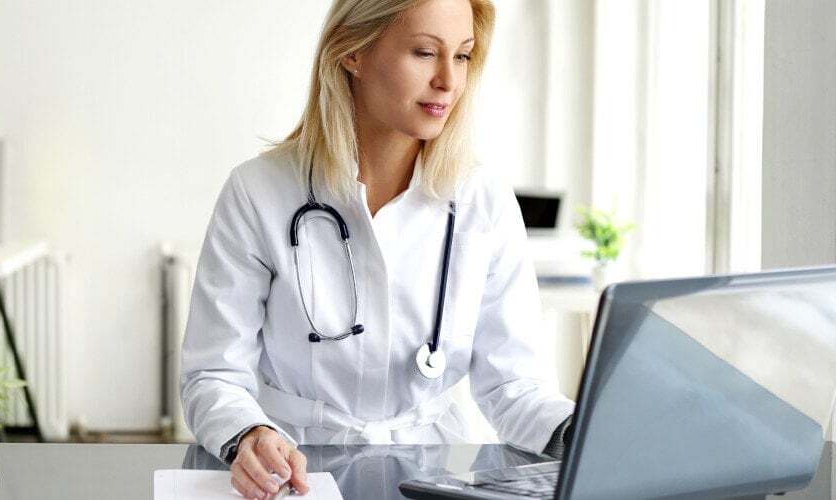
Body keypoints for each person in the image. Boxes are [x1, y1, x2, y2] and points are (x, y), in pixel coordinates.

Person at [178, 0, 575, 498]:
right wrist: (248, 435)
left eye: (463, 56)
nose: (449, 82)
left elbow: (514, 387)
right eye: (425, 52)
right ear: (353, 53)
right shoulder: (259, 190)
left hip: (431, 475)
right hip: (295, 473)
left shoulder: (481, 199)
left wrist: (583, 435)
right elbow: (214, 373)